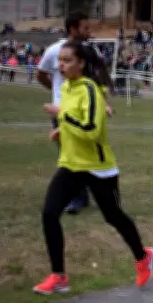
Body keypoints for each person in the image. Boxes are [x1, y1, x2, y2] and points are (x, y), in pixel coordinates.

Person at [33, 41, 153, 295]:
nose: (61, 65)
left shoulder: (90, 90)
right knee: (49, 213)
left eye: (67, 60)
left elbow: (90, 131)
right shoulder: (67, 87)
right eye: (60, 60)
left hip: (97, 166)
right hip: (71, 164)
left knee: (113, 216)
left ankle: (143, 256)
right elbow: (76, 124)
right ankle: (59, 276)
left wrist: (62, 116)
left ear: (81, 64)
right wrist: (61, 131)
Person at [37, 12, 113, 215]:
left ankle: (89, 191)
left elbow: (98, 78)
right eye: (85, 28)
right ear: (73, 29)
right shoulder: (54, 50)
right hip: (62, 112)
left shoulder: (90, 50)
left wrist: (103, 103)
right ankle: (78, 197)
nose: (89, 32)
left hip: (86, 111)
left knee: (86, 152)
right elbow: (41, 73)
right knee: (69, 155)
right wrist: (57, 94)